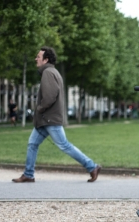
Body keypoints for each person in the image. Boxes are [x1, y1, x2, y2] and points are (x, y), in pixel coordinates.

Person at [12, 46, 101, 183]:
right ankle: (28, 174)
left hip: (49, 119)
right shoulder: (53, 72)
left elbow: (50, 96)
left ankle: (92, 166)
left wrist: (40, 108)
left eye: (38, 57)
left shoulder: (48, 72)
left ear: (46, 59)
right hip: (45, 120)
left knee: (64, 145)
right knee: (32, 144)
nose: (36, 59)